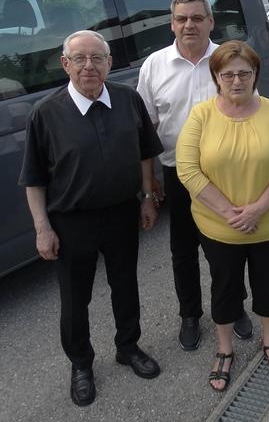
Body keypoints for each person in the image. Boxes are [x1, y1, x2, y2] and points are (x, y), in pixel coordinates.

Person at [19, 30, 164, 407]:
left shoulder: (128, 100)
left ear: (109, 63)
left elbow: (146, 153)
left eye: (97, 58)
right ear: (65, 64)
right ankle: (81, 363)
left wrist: (148, 197)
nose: (89, 66)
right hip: (71, 222)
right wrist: (42, 229)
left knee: (125, 285)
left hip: (121, 213)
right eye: (79, 59)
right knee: (74, 299)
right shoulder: (46, 114)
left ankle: (128, 347)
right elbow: (33, 180)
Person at [176, 40, 269, 392]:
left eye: (244, 73)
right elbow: (187, 170)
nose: (236, 81)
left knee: (267, 283)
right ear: (216, 76)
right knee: (224, 287)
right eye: (227, 74)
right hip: (219, 228)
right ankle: (225, 348)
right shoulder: (201, 115)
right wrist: (231, 213)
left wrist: (258, 209)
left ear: (255, 75)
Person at [137, 0, 253, 351]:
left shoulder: (226, 61)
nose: (190, 25)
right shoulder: (154, 66)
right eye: (182, 18)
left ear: (210, 22)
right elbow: (147, 131)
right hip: (177, 174)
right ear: (172, 23)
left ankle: (233, 308)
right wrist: (148, 185)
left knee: (228, 249)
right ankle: (190, 313)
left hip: (227, 173)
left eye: (197, 18)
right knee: (183, 250)